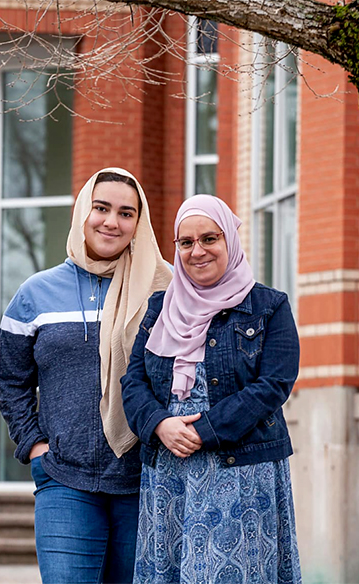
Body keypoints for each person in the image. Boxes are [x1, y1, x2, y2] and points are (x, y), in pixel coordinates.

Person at [0, 168, 172, 583]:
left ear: (138, 223)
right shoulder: (35, 294)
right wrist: (34, 445)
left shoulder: (165, 290)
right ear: (83, 213)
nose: (112, 221)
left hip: (145, 480)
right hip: (64, 480)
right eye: (101, 208)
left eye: (126, 213)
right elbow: (11, 379)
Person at [122, 194, 302, 583]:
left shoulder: (269, 307)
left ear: (230, 242)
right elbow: (133, 380)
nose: (196, 251)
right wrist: (159, 424)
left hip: (242, 470)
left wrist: (202, 430)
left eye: (209, 238)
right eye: (185, 242)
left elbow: (274, 384)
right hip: (170, 467)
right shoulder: (159, 309)